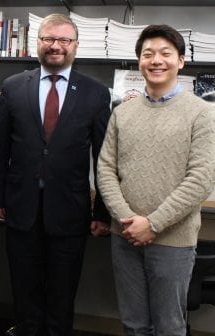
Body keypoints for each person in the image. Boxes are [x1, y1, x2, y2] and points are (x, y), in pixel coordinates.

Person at [0, 13, 111, 335]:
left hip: (70, 213)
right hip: (21, 211)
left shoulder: (95, 93)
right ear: (37, 43)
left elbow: (104, 158)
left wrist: (102, 212)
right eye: (48, 38)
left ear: (75, 45)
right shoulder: (13, 87)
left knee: (62, 297)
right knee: (24, 295)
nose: (55, 46)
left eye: (63, 40)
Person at [97, 24, 215, 335]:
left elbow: (201, 179)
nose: (156, 60)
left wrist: (152, 224)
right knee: (133, 324)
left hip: (173, 241)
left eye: (165, 53)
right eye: (148, 54)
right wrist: (127, 220)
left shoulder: (202, 113)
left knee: (169, 327)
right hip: (125, 236)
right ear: (139, 61)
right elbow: (105, 169)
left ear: (181, 61)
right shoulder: (123, 112)